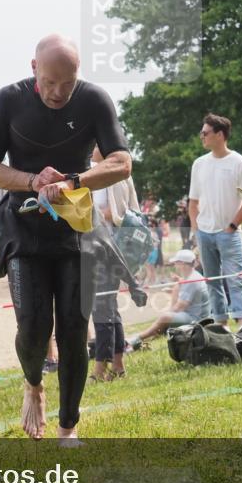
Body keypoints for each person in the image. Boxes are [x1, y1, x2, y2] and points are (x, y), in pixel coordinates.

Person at [0, 34, 132, 442]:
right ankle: (33, 384)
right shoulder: (8, 100)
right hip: (23, 226)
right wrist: (32, 181)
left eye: (68, 82)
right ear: (33, 70)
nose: (59, 92)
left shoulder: (94, 100)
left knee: (74, 328)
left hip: (75, 225)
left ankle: (68, 429)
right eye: (49, 82)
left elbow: (121, 163)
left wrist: (73, 180)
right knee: (32, 326)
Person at [188, 113, 242, 330]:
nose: (202, 137)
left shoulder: (239, 163)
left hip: (229, 233)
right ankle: (220, 321)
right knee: (212, 280)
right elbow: (193, 201)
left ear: (220, 135)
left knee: (235, 277)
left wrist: (232, 226)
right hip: (204, 232)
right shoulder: (199, 164)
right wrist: (195, 230)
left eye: (205, 133)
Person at [90, 145, 140, 382]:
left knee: (101, 309)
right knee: (109, 308)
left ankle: (100, 368)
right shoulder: (113, 172)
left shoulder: (113, 174)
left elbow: (120, 213)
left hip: (108, 248)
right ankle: (118, 365)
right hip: (102, 247)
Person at [126, 250, 211, 348]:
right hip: (199, 315)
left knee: (164, 317)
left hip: (196, 319)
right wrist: (175, 288)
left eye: (176, 262)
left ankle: (137, 338)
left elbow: (180, 307)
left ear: (182, 263)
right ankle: (151, 334)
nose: (174, 265)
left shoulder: (191, 281)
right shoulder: (193, 276)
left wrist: (168, 314)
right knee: (165, 318)